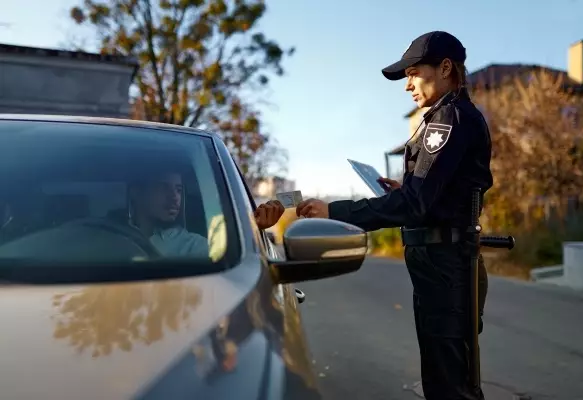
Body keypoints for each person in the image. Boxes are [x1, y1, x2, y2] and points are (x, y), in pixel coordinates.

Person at [296, 31, 492, 400]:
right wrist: (406, 192)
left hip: (447, 267)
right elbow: (432, 197)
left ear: (445, 67)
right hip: (440, 264)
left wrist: (335, 211)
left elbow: (416, 206)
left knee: (449, 385)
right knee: (444, 377)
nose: (408, 86)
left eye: (414, 73)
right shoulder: (445, 116)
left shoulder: (449, 118)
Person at [127, 171, 285, 257]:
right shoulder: (107, 234)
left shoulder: (193, 245)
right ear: (136, 192)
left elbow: (231, 255)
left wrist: (253, 230)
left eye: (178, 190)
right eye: (163, 188)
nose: (174, 197)